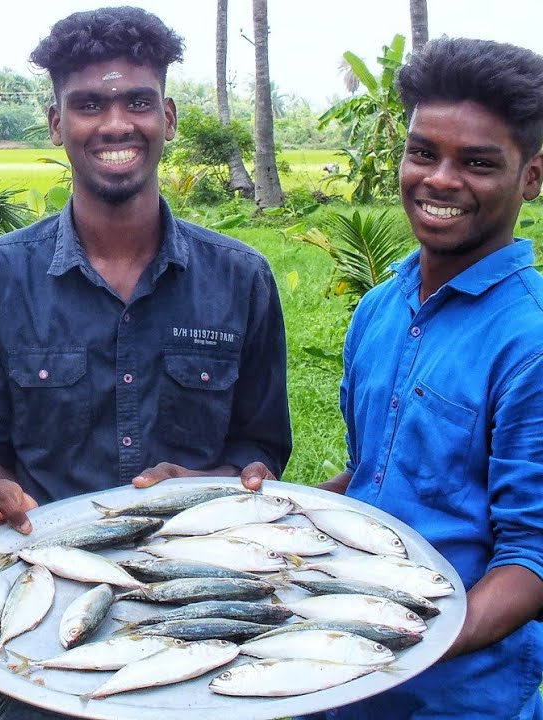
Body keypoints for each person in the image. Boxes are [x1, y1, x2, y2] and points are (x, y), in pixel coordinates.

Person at [0, 9, 291, 717]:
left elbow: (262, 443)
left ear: (166, 115)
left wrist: (216, 482)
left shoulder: (242, 278)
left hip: (197, 593)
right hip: (44, 596)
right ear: (55, 122)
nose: (114, 123)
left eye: (136, 101)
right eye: (89, 104)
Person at [313, 37, 543, 719]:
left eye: (477, 162)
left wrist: (410, 648)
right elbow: (371, 477)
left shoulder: (528, 342)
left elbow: (530, 559)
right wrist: (241, 506)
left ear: (531, 176)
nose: (441, 180)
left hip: (452, 694)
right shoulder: (382, 306)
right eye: (423, 152)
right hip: (338, 667)